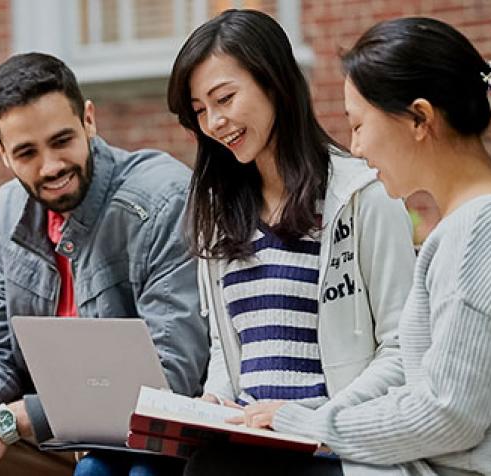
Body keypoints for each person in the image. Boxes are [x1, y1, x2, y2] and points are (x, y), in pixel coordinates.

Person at [238, 17, 491, 475]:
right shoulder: (479, 221)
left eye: (359, 126)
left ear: (419, 119)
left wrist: (311, 426)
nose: (355, 149)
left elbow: (450, 415)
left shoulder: (479, 235)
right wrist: (313, 421)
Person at [0, 52, 209, 476]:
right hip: (50, 432)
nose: (51, 166)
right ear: (2, 153)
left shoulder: (161, 199)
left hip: (138, 439)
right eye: (27, 152)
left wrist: (9, 421)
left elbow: (169, 377)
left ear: (89, 120)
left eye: (61, 141)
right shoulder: (9, 207)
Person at [163, 10, 417, 475]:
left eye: (224, 98)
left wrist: (314, 421)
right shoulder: (220, 215)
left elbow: (403, 349)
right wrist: (214, 398)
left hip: (334, 449)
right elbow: (227, 349)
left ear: (275, 82)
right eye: (200, 110)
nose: (215, 122)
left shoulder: (363, 197)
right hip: (247, 445)